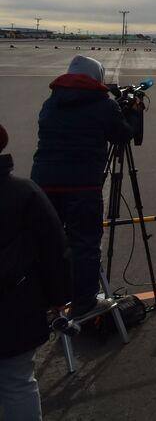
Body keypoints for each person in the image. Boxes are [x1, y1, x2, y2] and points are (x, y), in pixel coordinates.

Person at [30, 55, 133, 314]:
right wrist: (125, 111)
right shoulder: (103, 104)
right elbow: (122, 135)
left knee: (46, 243)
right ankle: (84, 302)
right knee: (85, 244)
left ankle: (44, 301)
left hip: (44, 183)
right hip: (82, 186)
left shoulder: (50, 103)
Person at [1, 124, 70, 420]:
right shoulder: (23, 192)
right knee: (17, 383)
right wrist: (59, 298)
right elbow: (54, 248)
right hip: (14, 307)